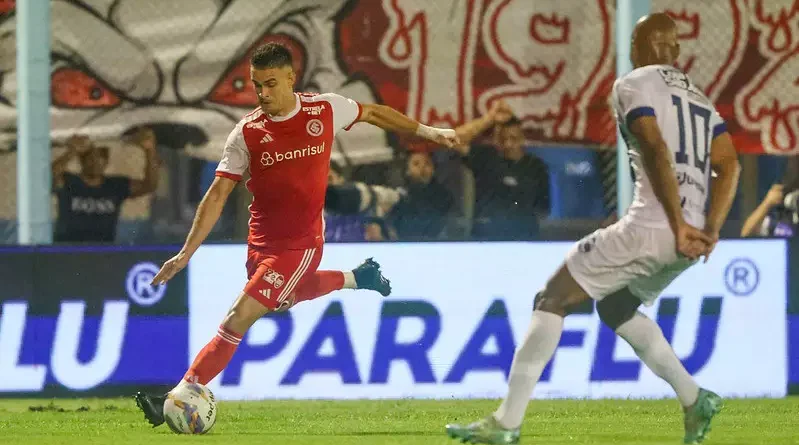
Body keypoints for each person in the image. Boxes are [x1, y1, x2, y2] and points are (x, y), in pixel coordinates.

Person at [446, 13, 740, 445]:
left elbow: (654, 146)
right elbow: (730, 164)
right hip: (690, 241)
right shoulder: (701, 100)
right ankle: (695, 399)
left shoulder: (633, 83)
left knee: (552, 298)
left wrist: (677, 224)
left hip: (655, 227)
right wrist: (709, 229)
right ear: (676, 50)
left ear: (636, 47)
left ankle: (506, 424)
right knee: (616, 307)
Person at [134, 42, 459, 426]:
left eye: (271, 83)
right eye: (257, 85)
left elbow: (373, 113)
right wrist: (186, 253)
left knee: (239, 316)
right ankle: (358, 277)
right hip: (260, 242)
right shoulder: (247, 133)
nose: (263, 93)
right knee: (279, 302)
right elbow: (218, 193)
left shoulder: (325, 109)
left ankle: (178, 394)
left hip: (301, 245)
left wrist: (428, 132)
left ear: (291, 78)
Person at [451, 101, 550, 240]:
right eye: (503, 139)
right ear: (496, 139)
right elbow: (452, 139)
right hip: (487, 239)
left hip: (524, 240)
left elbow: (543, 210)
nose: (508, 144)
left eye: (513, 138)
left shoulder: (536, 166)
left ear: (522, 138)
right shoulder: (486, 157)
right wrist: (489, 119)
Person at [51, 129, 160, 243]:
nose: (96, 162)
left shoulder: (115, 185)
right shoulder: (69, 181)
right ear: (82, 161)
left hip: (103, 249)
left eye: (101, 157)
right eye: (90, 158)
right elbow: (50, 175)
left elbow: (149, 185)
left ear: (106, 161)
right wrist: (72, 151)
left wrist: (150, 150)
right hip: (67, 248)